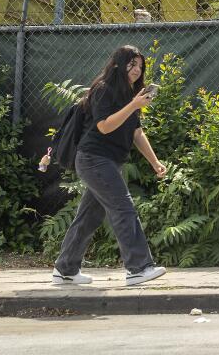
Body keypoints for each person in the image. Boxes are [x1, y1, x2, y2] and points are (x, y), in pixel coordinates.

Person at [51, 45, 168, 286]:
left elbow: (136, 132)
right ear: (117, 64)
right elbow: (104, 126)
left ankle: (65, 269)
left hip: (107, 162)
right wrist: (134, 106)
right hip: (94, 159)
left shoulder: (129, 95)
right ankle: (138, 267)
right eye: (131, 64)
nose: (136, 70)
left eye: (139, 66)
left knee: (89, 216)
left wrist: (155, 162)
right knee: (123, 208)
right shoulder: (104, 90)